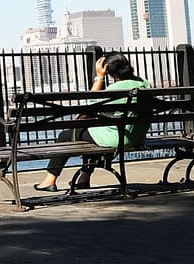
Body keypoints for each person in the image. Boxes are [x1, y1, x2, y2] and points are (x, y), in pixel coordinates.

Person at [32, 53, 150, 192]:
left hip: (117, 139)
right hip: (138, 137)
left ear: (108, 70)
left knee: (65, 135)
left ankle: (49, 180)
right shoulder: (144, 83)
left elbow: (90, 105)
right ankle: (84, 178)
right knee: (91, 134)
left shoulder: (116, 89)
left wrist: (99, 76)